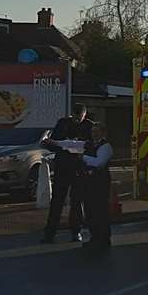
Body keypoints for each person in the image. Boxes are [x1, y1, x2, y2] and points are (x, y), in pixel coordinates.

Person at [40, 102, 94, 244]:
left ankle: (76, 232)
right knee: (57, 201)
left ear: (84, 114)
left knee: (76, 202)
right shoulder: (63, 124)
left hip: (79, 167)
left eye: (80, 117)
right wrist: (62, 146)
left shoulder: (89, 126)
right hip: (63, 166)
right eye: (75, 117)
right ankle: (50, 233)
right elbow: (53, 143)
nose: (77, 120)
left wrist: (82, 148)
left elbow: (93, 146)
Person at [81, 123, 113, 255]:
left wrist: (83, 158)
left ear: (103, 133)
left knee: (100, 210)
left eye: (97, 131)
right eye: (93, 131)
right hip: (89, 182)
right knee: (90, 211)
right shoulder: (89, 145)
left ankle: (104, 239)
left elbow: (99, 163)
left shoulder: (106, 146)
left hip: (100, 182)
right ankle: (94, 237)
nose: (94, 134)